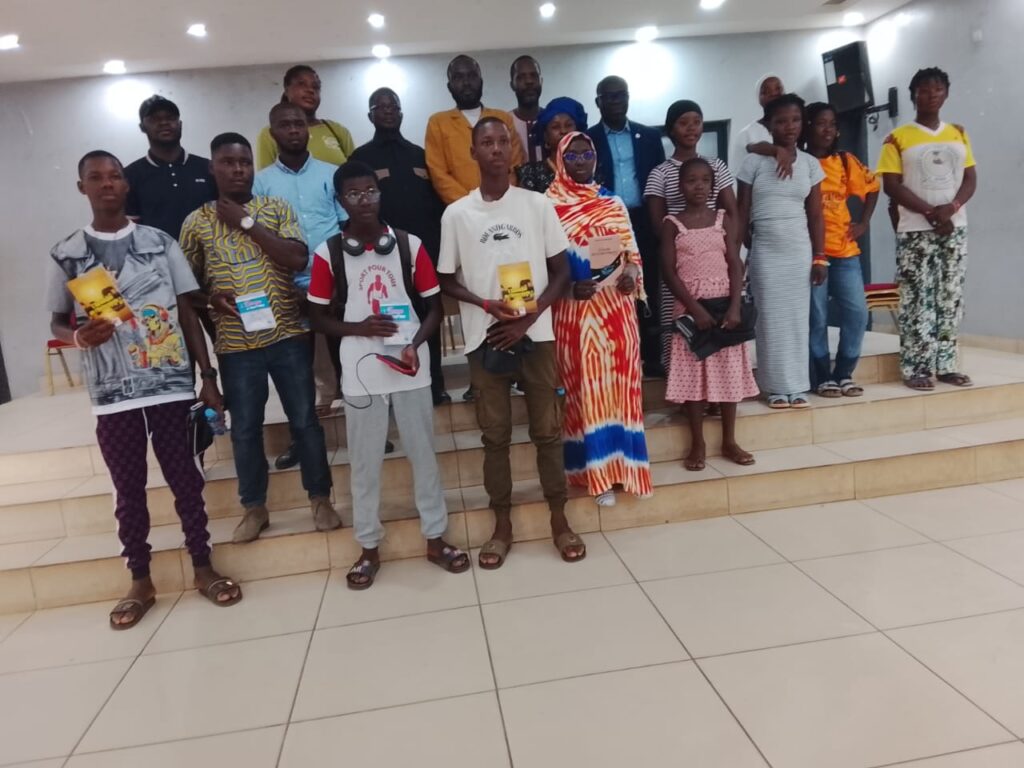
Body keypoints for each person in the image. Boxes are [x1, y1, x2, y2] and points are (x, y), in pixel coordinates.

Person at [46, 151, 241, 629]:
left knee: (186, 480)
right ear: (82, 187)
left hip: (169, 385)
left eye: (114, 176)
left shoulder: (158, 242)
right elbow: (56, 321)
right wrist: (79, 337)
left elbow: (187, 309)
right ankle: (140, 579)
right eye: (96, 177)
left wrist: (207, 377)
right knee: (127, 487)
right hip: (112, 392)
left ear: (126, 184)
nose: (107, 184)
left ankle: (202, 565)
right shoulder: (68, 252)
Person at [306, 161, 469, 588]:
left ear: (380, 194)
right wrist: (358, 328)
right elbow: (317, 317)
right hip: (360, 371)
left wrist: (415, 343)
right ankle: (368, 547)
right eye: (353, 194)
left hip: (410, 365)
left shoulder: (409, 245)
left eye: (370, 191)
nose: (364, 200)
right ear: (340, 201)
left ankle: (436, 538)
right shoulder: (328, 253)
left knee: (424, 455)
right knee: (364, 463)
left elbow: (434, 308)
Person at [180, 133, 341, 542]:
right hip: (236, 347)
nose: (238, 169)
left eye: (245, 162)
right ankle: (254, 508)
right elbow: (185, 291)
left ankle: (320, 498)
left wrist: (245, 223)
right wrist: (210, 299)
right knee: (246, 429)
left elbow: (296, 258)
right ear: (212, 168)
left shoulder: (275, 208)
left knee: (305, 421)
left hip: (288, 335)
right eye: (228, 162)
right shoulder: (196, 222)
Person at [437, 117, 580, 568]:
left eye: (503, 141)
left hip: (536, 334)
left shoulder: (537, 205)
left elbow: (562, 273)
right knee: (494, 435)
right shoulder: (456, 214)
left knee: (548, 431)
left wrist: (528, 319)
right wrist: (485, 303)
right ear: (473, 152)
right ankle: (501, 525)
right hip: (486, 337)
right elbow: (445, 280)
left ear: (513, 150)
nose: (496, 148)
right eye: (486, 142)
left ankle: (559, 518)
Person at [546, 131, 651, 506]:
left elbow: (633, 256)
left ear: (595, 157)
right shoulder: (547, 206)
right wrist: (569, 289)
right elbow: (543, 267)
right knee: (586, 391)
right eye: (571, 156)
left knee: (623, 389)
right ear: (560, 160)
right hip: (575, 314)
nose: (580, 161)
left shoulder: (613, 202)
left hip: (616, 312)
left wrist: (631, 276)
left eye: (586, 154)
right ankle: (597, 476)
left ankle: (627, 470)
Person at [254, 102, 349, 469]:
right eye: (285, 124)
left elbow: (347, 228)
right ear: (272, 133)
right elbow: (260, 241)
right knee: (298, 373)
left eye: (298, 123)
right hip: (288, 289)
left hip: (334, 286)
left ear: (307, 130)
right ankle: (301, 440)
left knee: (348, 362)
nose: (293, 129)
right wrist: (286, 287)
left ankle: (363, 429)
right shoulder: (261, 183)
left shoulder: (331, 174)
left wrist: (340, 282)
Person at [877, 67, 977, 390]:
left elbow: (970, 178)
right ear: (913, 96)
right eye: (924, 89)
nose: (931, 94)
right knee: (917, 297)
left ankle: (946, 365)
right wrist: (930, 213)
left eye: (937, 89)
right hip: (914, 230)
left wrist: (952, 208)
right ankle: (916, 368)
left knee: (950, 295)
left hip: (954, 228)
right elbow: (891, 185)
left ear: (946, 94)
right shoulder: (897, 138)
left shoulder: (958, 133)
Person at [349, 87, 451, 405]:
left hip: (424, 253)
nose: (387, 111)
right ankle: (392, 384)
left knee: (428, 315)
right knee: (390, 319)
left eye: (393, 106)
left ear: (401, 112)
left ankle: (433, 383)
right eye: (379, 107)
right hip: (382, 257)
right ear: (370, 116)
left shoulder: (420, 155)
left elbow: (437, 204)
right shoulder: (361, 159)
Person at [662, 157, 759, 470]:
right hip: (691, 308)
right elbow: (668, 272)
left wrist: (735, 305)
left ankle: (729, 440)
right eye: (691, 180)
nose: (699, 186)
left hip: (724, 304)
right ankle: (698, 443)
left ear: (713, 185)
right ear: (681, 186)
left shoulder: (722, 219)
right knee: (693, 373)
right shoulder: (672, 223)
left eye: (705, 180)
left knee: (728, 371)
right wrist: (695, 309)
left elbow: (735, 264)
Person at [737, 94, 825, 409]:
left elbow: (816, 215)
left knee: (798, 319)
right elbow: (741, 212)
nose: (789, 126)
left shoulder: (811, 165)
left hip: (799, 251)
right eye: (781, 121)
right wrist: (739, 255)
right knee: (770, 321)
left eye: (796, 120)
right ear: (769, 125)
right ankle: (774, 387)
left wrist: (820, 256)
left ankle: (797, 386)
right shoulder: (753, 163)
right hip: (766, 251)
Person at [645, 100, 738, 370]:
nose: (691, 128)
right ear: (671, 129)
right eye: (683, 123)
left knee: (720, 332)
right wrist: (688, 250)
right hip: (680, 264)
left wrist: (725, 252)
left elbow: (731, 212)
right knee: (681, 334)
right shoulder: (660, 173)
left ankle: (718, 387)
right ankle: (682, 388)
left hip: (716, 267)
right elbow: (657, 226)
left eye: (696, 122)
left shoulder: (716, 166)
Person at [587, 76, 666, 376]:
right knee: (610, 284)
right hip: (605, 224)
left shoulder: (649, 137)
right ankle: (617, 354)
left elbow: (658, 181)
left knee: (648, 283)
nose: (616, 101)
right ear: (598, 102)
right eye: (608, 96)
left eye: (621, 95)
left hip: (643, 219)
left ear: (629, 98)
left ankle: (652, 357)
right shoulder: (589, 138)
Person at [801, 102, 879, 397]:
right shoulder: (799, 162)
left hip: (845, 251)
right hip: (811, 253)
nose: (827, 130)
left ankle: (844, 372)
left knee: (857, 313)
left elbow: (873, 186)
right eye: (821, 123)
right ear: (808, 126)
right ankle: (823, 376)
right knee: (817, 317)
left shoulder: (845, 161)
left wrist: (864, 222)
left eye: (832, 124)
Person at [425, 54, 524, 205]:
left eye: (472, 76)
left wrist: (499, 202)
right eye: (458, 77)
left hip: (505, 206)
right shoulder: (438, 123)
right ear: (449, 86)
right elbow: (438, 173)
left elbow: (515, 166)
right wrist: (471, 205)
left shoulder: (502, 119)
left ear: (481, 81)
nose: (466, 83)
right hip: (460, 210)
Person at [124, 96, 217, 240]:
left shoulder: (208, 168)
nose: (164, 122)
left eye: (170, 117)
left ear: (180, 124)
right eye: (155, 119)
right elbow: (131, 230)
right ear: (142, 127)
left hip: (207, 253)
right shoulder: (130, 175)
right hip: (156, 254)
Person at [256, 65, 355, 170]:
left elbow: (356, 172)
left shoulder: (337, 130)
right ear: (287, 90)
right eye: (302, 84)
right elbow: (266, 176)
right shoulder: (270, 133)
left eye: (316, 87)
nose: (311, 90)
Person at [516, 96, 589, 194]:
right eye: (555, 127)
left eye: (568, 125)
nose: (563, 131)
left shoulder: (589, 171)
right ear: (545, 136)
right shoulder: (530, 174)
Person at [733, 74, 793, 177]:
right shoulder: (746, 134)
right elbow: (737, 174)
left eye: (778, 89)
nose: (774, 94)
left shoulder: (794, 129)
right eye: (766, 91)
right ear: (759, 98)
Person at [509, 55, 545, 164]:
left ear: (541, 81)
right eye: (521, 77)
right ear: (512, 85)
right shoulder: (505, 123)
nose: (529, 81)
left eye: (534, 76)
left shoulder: (553, 121)